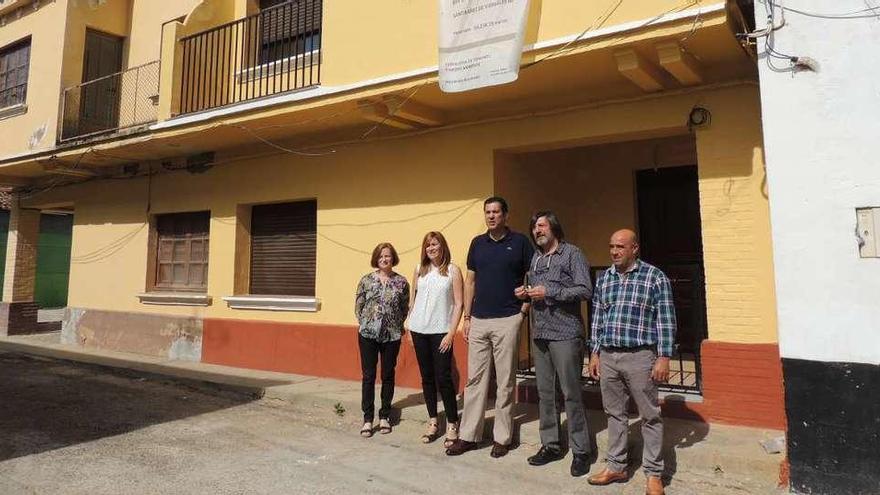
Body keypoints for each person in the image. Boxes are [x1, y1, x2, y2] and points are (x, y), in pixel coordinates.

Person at [586, 229, 677, 495]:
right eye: (611, 246)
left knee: (649, 415)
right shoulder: (604, 279)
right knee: (615, 414)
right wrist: (595, 352)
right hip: (609, 356)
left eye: (620, 247)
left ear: (634, 249)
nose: (614, 252)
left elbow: (666, 320)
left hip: (641, 356)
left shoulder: (654, 277)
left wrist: (663, 356)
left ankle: (653, 473)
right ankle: (616, 466)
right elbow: (598, 319)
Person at [446, 196, 534, 458]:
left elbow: (534, 274)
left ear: (506, 215)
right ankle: (469, 436)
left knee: (505, 381)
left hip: (508, 318)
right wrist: (467, 317)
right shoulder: (477, 244)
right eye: (488, 212)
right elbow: (470, 282)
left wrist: (525, 308)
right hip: (480, 320)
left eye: (496, 211)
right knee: (475, 380)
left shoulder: (519, 243)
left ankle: (502, 438)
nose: (492, 216)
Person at [515, 211, 593, 477]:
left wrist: (551, 292)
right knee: (546, 394)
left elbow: (585, 289)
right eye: (534, 228)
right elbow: (535, 291)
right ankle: (551, 445)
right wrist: (524, 293)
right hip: (541, 334)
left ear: (554, 228)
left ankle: (581, 450)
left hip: (566, 333)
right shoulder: (536, 259)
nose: (537, 231)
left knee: (571, 393)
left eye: (541, 226)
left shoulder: (572, 254)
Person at [407, 231, 464, 447]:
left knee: (444, 378)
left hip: (441, 331)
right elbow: (413, 301)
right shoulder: (418, 270)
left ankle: (452, 423)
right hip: (419, 330)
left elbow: (459, 303)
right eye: (428, 245)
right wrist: (410, 326)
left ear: (443, 246)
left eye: (435, 244)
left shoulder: (452, 270)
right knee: (427, 378)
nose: (431, 248)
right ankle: (433, 421)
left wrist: (451, 333)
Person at [355, 242, 410, 438]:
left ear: (392, 258)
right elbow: (359, 306)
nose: (384, 259)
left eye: (387, 256)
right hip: (368, 335)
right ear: (376, 260)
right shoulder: (366, 280)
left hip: (392, 335)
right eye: (380, 257)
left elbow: (404, 308)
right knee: (368, 376)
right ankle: (368, 419)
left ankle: (384, 415)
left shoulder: (401, 282)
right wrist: (365, 323)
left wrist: (396, 325)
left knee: (388, 375)